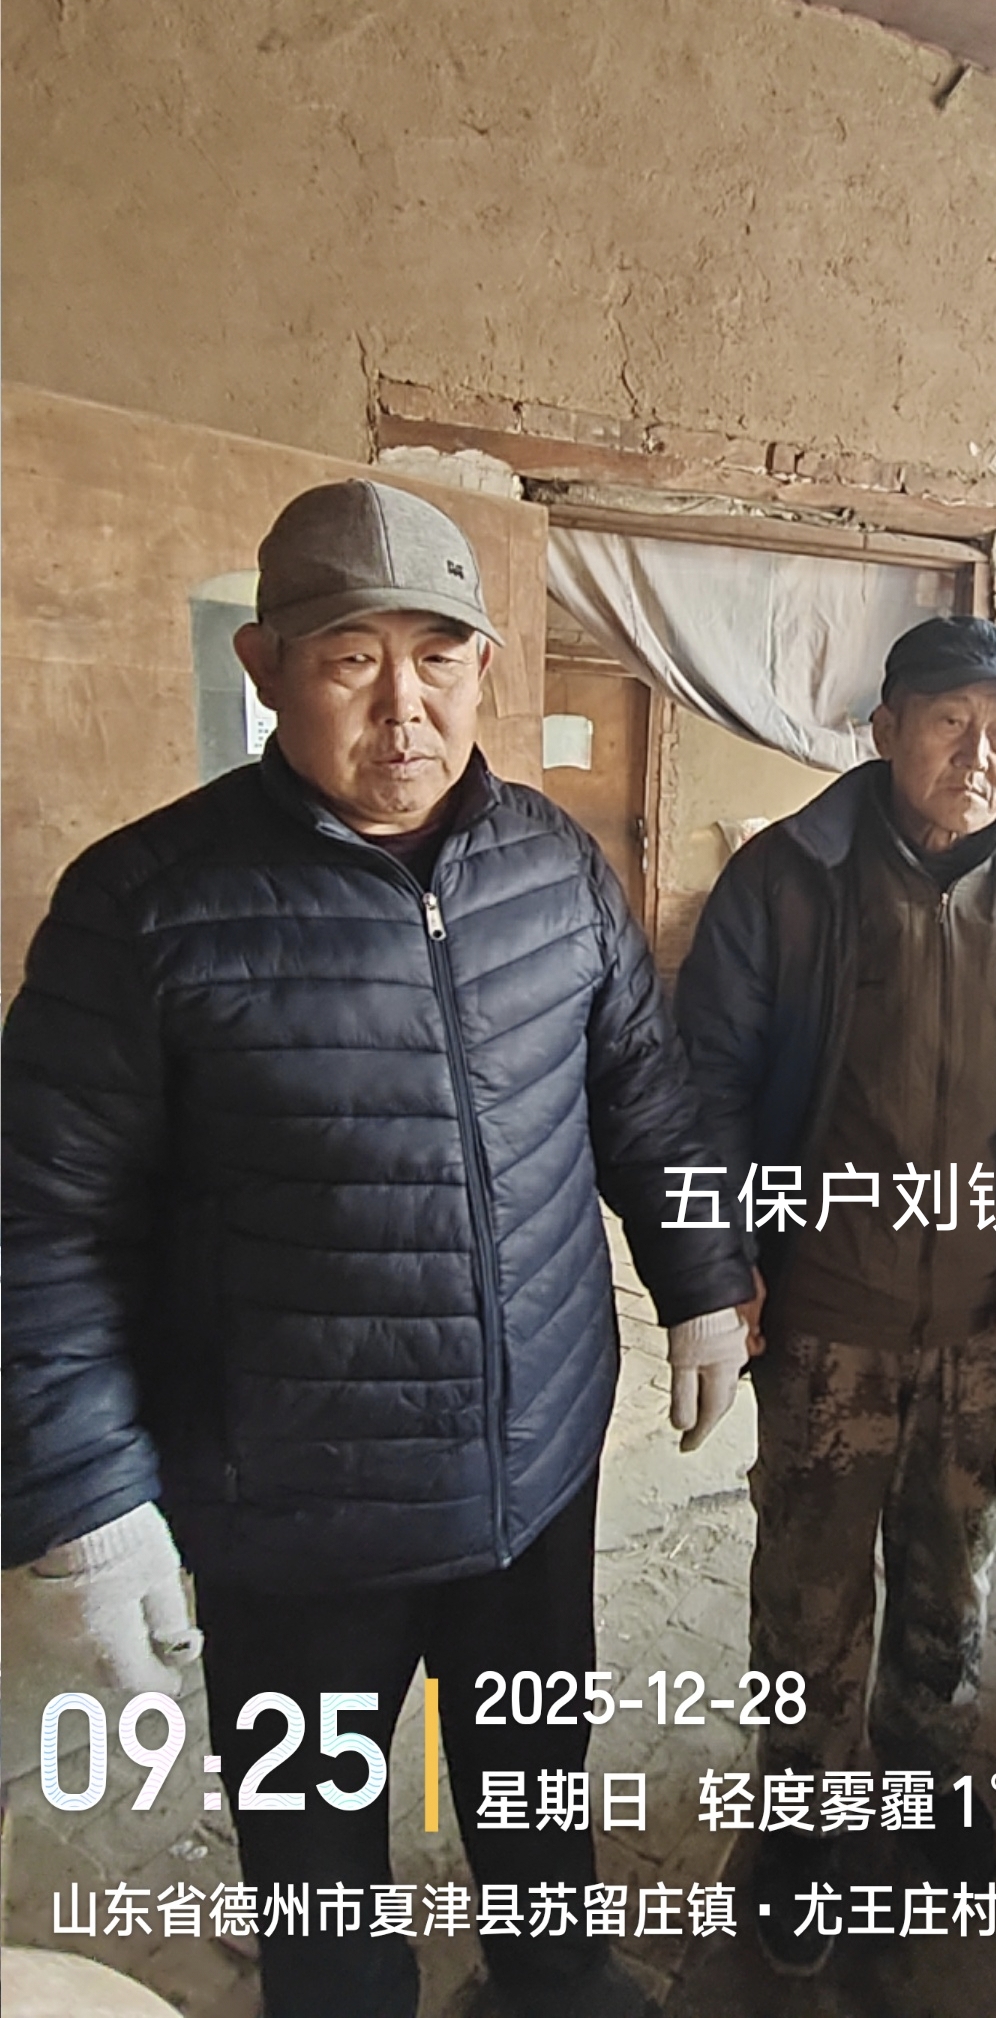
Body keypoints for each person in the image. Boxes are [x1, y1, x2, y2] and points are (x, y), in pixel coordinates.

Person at [2, 478, 760, 2018]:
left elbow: (645, 1095)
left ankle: (553, 1982)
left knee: (536, 1782)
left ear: (484, 665)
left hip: (532, 1470)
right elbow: (41, 1220)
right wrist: (85, 1499)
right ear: (267, 667)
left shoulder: (552, 865)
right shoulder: (144, 908)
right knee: (321, 1868)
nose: (404, 707)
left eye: (439, 655)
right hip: (292, 1510)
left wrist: (701, 1279)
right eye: (353, 658)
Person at [675, 613, 996, 1976]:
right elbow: (704, 1083)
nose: (977, 756)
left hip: (989, 1322)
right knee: (808, 1594)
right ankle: (802, 1826)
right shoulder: (787, 880)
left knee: (952, 1577)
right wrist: (718, 1268)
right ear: (884, 731)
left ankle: (930, 1784)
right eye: (948, 723)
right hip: (827, 1314)